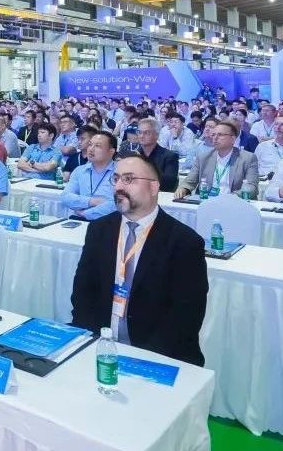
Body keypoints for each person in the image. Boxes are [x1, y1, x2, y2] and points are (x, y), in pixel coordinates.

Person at [70, 152, 209, 366]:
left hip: (159, 355)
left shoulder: (184, 242)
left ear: (153, 187)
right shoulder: (99, 230)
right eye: (116, 179)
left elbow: (185, 316)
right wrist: (95, 345)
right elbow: (82, 293)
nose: (118, 186)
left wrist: (139, 360)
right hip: (102, 347)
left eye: (129, 179)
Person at [175, 120, 259, 199]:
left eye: (220, 135)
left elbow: (252, 187)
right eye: (213, 135)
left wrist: (233, 196)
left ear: (233, 139)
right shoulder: (203, 157)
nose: (215, 138)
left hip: (233, 203)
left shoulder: (248, 158)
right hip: (206, 201)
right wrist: (183, 188)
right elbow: (190, 181)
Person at [60, 131, 118, 221]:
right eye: (90, 144)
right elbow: (65, 197)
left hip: (108, 223)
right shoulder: (79, 170)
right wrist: (92, 201)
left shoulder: (120, 172)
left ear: (111, 151)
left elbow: (117, 204)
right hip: (79, 221)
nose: (91, 149)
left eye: (97, 146)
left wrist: (85, 213)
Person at [119, 118, 179, 192]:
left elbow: (170, 183)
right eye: (139, 132)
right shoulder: (134, 155)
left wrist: (143, 170)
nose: (141, 136)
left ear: (156, 135)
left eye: (146, 133)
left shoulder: (170, 156)